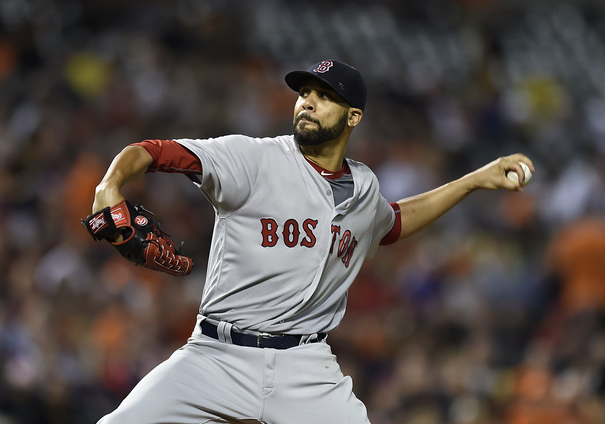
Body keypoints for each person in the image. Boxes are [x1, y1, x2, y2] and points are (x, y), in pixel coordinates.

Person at [90, 60, 534, 424]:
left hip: (305, 368)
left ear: (353, 116)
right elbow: (155, 151)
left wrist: (474, 180)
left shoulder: (363, 187)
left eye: (324, 96)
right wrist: (109, 186)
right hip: (216, 356)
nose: (308, 102)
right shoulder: (254, 159)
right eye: (305, 93)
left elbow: (392, 223)